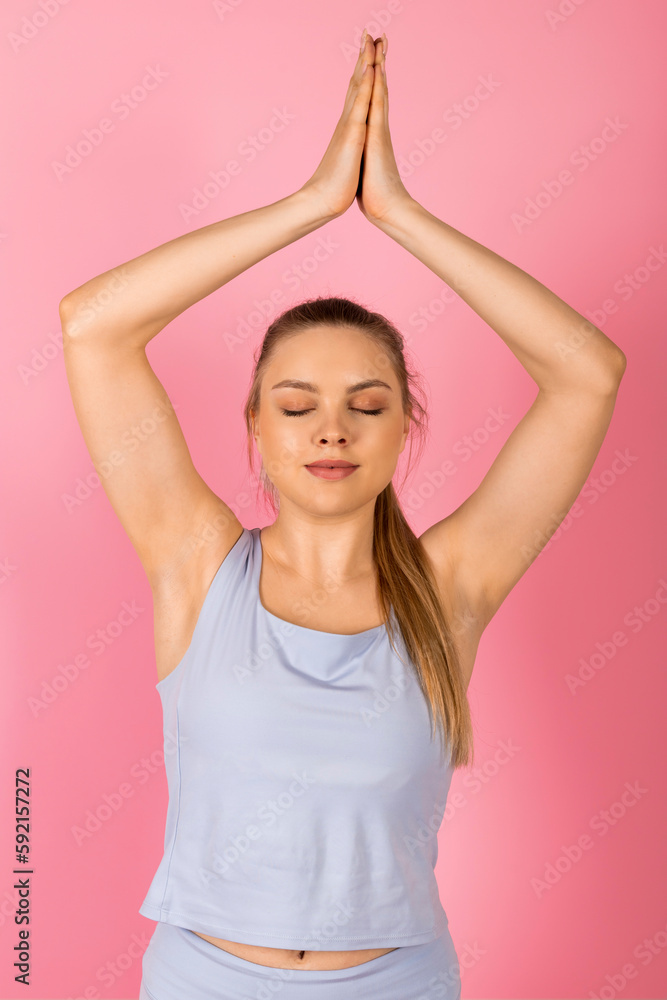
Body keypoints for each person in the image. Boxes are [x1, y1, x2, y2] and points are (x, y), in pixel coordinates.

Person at [59, 27, 626, 1000]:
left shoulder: (449, 589)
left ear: (406, 422)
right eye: (296, 405)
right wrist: (312, 205)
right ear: (257, 427)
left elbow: (586, 373)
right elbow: (93, 326)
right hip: (205, 979)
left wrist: (397, 214)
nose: (331, 430)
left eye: (367, 403)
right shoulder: (196, 566)